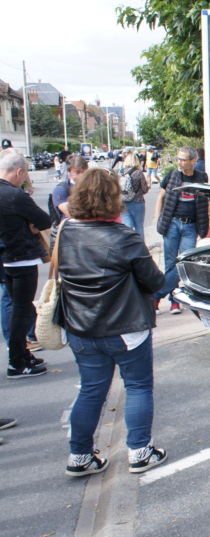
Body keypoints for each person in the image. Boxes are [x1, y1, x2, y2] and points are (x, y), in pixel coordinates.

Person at [58, 168, 167, 476]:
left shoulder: (65, 230)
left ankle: (79, 456)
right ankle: (140, 453)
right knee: (138, 386)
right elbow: (155, 281)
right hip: (124, 328)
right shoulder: (124, 237)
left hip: (80, 326)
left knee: (91, 390)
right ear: (113, 199)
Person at [0, 150, 51, 379]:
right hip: (22, 258)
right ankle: (17, 362)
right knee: (21, 311)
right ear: (18, 171)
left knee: (16, 310)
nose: (24, 179)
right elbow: (44, 220)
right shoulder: (16, 195)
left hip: (5, 260)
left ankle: (22, 356)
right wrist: (30, 225)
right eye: (24, 175)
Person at [152, 146, 209, 314]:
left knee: (184, 264)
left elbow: (205, 201)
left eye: (183, 159)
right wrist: (157, 218)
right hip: (173, 224)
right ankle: (174, 301)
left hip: (191, 226)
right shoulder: (172, 175)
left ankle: (156, 295)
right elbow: (161, 196)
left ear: (193, 161)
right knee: (170, 264)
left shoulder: (201, 177)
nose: (179, 162)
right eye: (178, 159)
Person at [49, 154, 87, 245]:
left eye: (84, 172)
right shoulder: (61, 189)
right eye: (77, 172)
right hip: (69, 236)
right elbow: (71, 213)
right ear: (69, 172)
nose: (81, 176)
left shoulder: (91, 187)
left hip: (87, 234)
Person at [118, 152, 150, 244]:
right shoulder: (138, 173)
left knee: (128, 226)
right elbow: (144, 190)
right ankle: (141, 247)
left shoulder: (120, 172)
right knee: (139, 226)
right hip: (137, 201)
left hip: (123, 201)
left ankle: (129, 245)